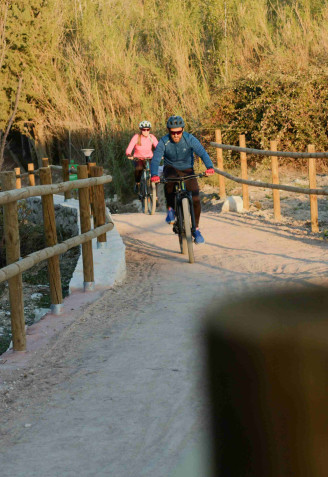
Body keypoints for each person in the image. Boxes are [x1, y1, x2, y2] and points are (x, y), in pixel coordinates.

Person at [150, 115, 214, 244]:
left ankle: (196, 229)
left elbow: (202, 152)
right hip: (170, 168)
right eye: (173, 132)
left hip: (187, 170)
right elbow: (156, 159)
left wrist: (209, 167)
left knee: (195, 198)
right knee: (169, 181)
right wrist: (154, 174)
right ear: (169, 131)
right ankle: (171, 209)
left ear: (182, 130)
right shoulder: (164, 141)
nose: (176, 135)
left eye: (178, 132)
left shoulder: (190, 139)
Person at [126, 120, 158, 193]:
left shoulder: (151, 137)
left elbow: (158, 147)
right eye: (144, 129)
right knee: (139, 168)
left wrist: (161, 154)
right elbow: (129, 147)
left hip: (149, 158)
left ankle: (155, 194)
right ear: (141, 130)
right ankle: (137, 183)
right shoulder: (136, 137)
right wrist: (129, 154)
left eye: (148, 129)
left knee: (154, 174)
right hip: (138, 158)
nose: (146, 131)